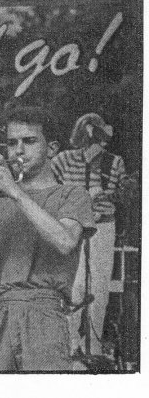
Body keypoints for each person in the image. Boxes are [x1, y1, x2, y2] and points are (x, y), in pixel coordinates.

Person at [0, 106, 95, 371]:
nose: (19, 150)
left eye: (30, 141)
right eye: (12, 143)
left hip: (43, 316)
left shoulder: (72, 195)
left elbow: (65, 241)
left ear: (52, 149)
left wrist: (14, 191)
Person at [51, 113, 127, 356]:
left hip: (103, 227)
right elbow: (48, 186)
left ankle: (93, 347)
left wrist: (120, 193)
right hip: (71, 226)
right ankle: (70, 344)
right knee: (73, 286)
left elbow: (124, 195)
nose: (99, 144)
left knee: (99, 287)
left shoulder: (114, 163)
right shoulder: (63, 160)